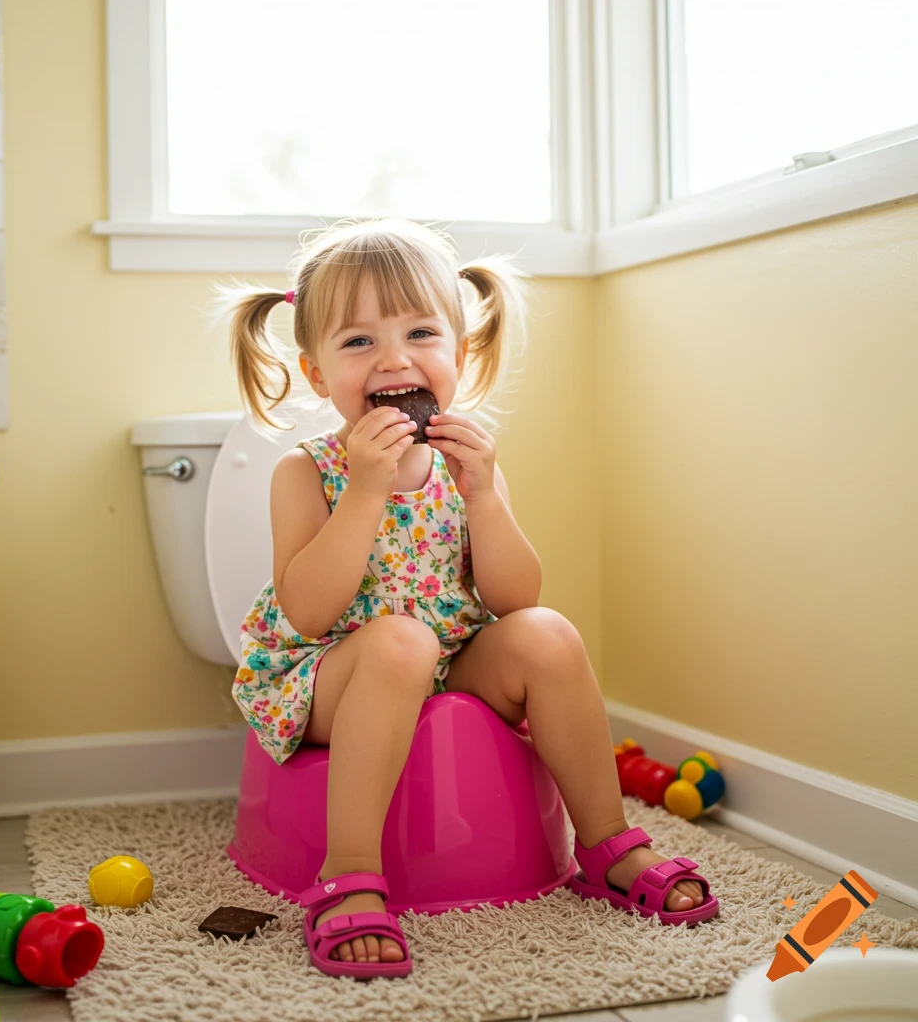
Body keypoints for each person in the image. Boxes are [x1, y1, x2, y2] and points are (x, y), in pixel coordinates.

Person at [222, 218, 718, 979]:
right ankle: (349, 871)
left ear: (458, 355)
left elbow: (515, 597)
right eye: (358, 342)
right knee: (398, 641)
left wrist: (484, 493)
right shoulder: (306, 471)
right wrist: (363, 492)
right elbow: (309, 611)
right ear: (317, 374)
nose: (394, 358)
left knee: (547, 633)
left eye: (420, 332)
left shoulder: (465, 462)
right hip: (324, 675)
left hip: (448, 657)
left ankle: (607, 843)